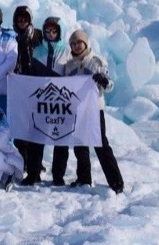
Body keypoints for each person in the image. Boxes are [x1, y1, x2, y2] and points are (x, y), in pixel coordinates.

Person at [55, 30, 125, 194]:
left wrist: (104, 81)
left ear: (86, 43)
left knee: (101, 145)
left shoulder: (97, 62)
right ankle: (84, 178)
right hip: (77, 110)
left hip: (94, 110)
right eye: (73, 44)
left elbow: (109, 85)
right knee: (80, 145)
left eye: (79, 42)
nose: (76, 46)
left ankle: (116, 182)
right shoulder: (69, 65)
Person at [34, 16, 73, 187]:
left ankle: (58, 175)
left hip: (60, 101)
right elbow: (31, 73)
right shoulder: (37, 51)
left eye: (54, 31)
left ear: (60, 32)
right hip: (41, 99)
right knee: (36, 135)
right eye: (47, 31)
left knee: (61, 139)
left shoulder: (67, 52)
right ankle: (34, 173)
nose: (50, 34)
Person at [11, 7, 46, 186]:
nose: (22, 21)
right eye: (19, 19)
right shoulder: (13, 38)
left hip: (37, 88)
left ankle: (35, 165)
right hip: (20, 88)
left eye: (25, 18)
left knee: (36, 128)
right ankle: (25, 160)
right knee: (20, 128)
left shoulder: (39, 36)